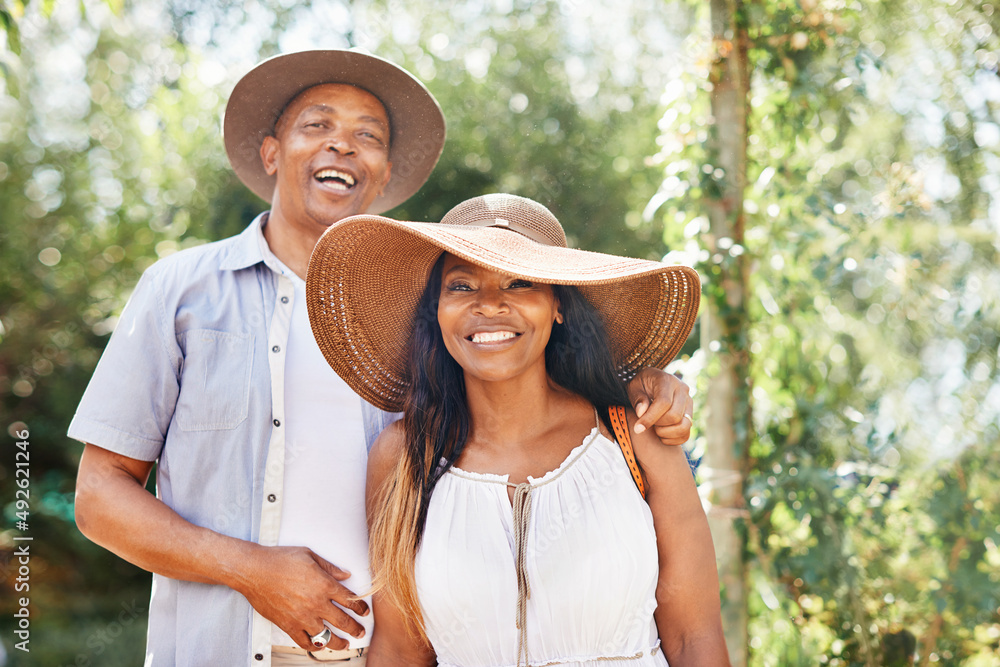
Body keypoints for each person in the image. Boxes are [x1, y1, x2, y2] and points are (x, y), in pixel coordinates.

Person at [69, 51, 697, 666]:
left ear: (386, 171)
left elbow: (522, 378)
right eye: (317, 125)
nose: (341, 146)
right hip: (222, 650)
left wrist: (643, 384)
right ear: (270, 153)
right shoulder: (182, 292)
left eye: (365, 136)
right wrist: (253, 570)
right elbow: (99, 497)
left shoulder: (414, 329)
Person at [306, 194, 729, 666]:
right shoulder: (404, 457)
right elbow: (401, 650)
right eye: (461, 286)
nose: (489, 305)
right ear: (437, 312)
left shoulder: (635, 436)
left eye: (520, 282)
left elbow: (696, 638)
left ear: (558, 306)